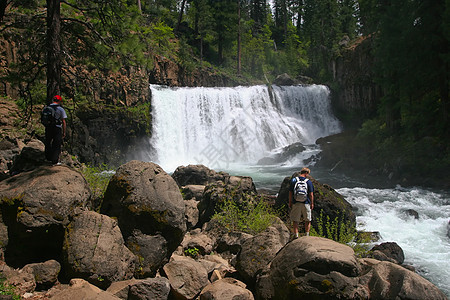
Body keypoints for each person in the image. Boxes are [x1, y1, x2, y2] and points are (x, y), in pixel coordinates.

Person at [288, 167, 314, 238]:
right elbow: (311, 194)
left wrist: (290, 202)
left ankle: (296, 235)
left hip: (296, 203)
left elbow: (290, 192)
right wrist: (312, 203)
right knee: (308, 219)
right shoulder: (308, 182)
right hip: (306, 203)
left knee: (295, 220)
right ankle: (307, 235)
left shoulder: (294, 180)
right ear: (306, 173)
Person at [44, 95, 67, 164]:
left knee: (48, 142)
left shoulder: (46, 108)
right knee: (56, 144)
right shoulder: (60, 109)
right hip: (57, 128)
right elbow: (63, 121)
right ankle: (55, 160)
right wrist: (64, 132)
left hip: (48, 127)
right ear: (59, 101)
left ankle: (47, 158)